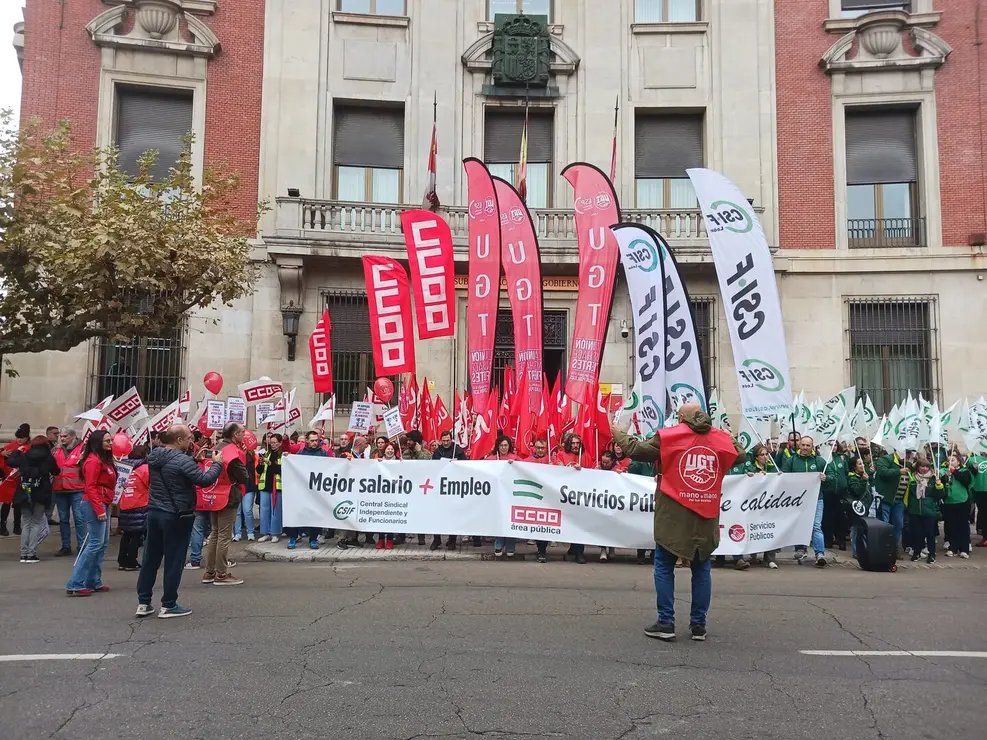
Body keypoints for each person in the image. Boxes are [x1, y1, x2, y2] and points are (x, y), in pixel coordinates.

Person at [612, 403, 746, 642]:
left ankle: (666, 622)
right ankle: (698, 625)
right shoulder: (719, 438)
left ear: (681, 418)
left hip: (674, 514)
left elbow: (636, 450)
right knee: (702, 570)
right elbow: (741, 454)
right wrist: (721, 434)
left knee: (664, 567)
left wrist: (615, 431)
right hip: (705, 514)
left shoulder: (669, 437)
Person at [136, 423, 225, 618]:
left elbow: (173, 469)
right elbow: (204, 479)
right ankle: (168, 604)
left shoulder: (154, 456)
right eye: (188, 438)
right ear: (178, 440)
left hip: (154, 511)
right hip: (176, 514)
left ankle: (143, 602)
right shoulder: (182, 460)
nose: (191, 441)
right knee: (174, 560)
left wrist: (194, 459)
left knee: (151, 558)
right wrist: (218, 463)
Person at [65, 430, 117, 596]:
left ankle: (92, 580)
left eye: (111, 440)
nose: (111, 443)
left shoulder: (103, 460)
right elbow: (90, 487)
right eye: (107, 441)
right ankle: (76, 582)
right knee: (95, 544)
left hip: (102, 502)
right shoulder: (94, 461)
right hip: (95, 503)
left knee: (101, 544)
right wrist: (99, 508)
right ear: (98, 442)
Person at [200, 423, 247, 585]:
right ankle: (221, 574)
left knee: (214, 533)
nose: (244, 435)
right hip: (228, 495)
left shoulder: (215, 448)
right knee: (224, 536)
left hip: (213, 494)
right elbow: (243, 476)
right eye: (242, 432)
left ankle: (209, 571)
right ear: (235, 435)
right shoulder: (233, 452)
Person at [7, 435, 59, 563]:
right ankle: (31, 554)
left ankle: (23, 554)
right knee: (35, 522)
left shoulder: (25, 455)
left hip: (25, 492)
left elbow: (11, 461)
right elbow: (56, 471)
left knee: (26, 523)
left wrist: (19, 450)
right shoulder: (48, 457)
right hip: (41, 493)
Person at [781, 435, 828, 566]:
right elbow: (784, 478)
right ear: (799, 446)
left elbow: (831, 478)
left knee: (816, 526)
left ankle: (820, 553)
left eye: (808, 445)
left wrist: (826, 478)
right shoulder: (791, 461)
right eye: (803, 445)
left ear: (812, 447)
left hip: (817, 498)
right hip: (797, 500)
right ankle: (801, 549)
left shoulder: (819, 461)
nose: (805, 448)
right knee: (799, 524)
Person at [286, 430, 327, 551]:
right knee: (296, 514)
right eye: (312, 440)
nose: (315, 443)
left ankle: (313, 539)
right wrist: (287, 458)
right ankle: (293, 537)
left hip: (316, 491)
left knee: (315, 515)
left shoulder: (323, 453)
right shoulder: (300, 453)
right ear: (307, 441)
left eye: (316, 440)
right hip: (301, 490)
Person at [430, 430, 469, 551]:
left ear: (451, 439)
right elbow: (432, 467)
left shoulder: (457, 450)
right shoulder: (438, 451)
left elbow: (465, 465)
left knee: (453, 515)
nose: (446, 442)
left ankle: (452, 540)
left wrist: (456, 464)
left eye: (448, 440)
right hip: (440, 487)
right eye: (444, 440)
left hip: (454, 487)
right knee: (437, 515)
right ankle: (437, 540)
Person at [52, 427, 87, 556]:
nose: (62, 438)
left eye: (65, 436)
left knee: (79, 518)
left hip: (77, 489)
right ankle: (65, 546)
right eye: (61, 436)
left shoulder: (83, 448)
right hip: (60, 489)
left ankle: (82, 546)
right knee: (63, 519)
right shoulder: (56, 450)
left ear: (72, 436)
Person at [555, 434, 589, 563]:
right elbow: (557, 470)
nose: (575, 445)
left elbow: (592, 472)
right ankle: (573, 547)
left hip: (580, 496)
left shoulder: (585, 456)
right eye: (573, 443)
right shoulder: (561, 455)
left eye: (578, 443)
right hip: (564, 495)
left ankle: (579, 553)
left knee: (579, 523)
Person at [745, 443, 780, 569]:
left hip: (769, 504)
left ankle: (770, 558)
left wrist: (779, 476)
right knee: (755, 528)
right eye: (762, 455)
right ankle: (753, 553)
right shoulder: (752, 468)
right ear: (756, 457)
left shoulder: (773, 467)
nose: (765, 457)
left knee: (770, 529)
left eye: (767, 454)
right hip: (754, 504)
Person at [905, 456, 944, 564]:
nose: (924, 468)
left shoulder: (933, 478)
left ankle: (932, 554)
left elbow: (940, 495)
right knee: (917, 533)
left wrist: (939, 485)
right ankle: (916, 552)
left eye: (927, 466)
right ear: (918, 467)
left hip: (929, 510)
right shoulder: (912, 477)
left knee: (930, 534)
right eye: (922, 466)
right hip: (915, 510)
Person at [873, 447, 910, 559]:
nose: (908, 455)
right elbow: (882, 472)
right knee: (884, 524)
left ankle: (894, 549)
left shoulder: (908, 463)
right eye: (906, 452)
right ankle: (882, 548)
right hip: (886, 499)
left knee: (899, 525)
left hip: (899, 500)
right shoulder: (886, 459)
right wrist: (898, 471)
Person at [117, 445, 150, 571]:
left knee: (126, 533)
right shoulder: (145, 468)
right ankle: (131, 560)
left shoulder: (124, 467)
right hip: (140, 503)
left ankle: (122, 560)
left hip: (125, 502)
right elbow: (150, 483)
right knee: (137, 534)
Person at [524, 438, 553, 563]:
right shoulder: (527, 461)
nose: (540, 450)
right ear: (534, 448)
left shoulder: (552, 461)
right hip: (533, 497)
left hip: (548, 498)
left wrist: (557, 467)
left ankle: (542, 551)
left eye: (543, 448)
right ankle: (539, 547)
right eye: (538, 447)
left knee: (544, 524)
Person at [0, 423, 31, 537]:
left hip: (22, 479)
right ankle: (2, 525)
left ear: (27, 437)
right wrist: (1, 454)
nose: (19, 440)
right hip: (9, 478)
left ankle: (17, 526)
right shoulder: (11, 445)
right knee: (6, 503)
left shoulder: (30, 446)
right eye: (17, 437)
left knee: (18, 503)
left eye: (22, 438)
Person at [941, 451, 972, 558]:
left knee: (962, 526)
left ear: (958, 462)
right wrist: (945, 477)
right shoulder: (945, 472)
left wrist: (954, 472)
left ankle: (964, 549)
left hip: (962, 502)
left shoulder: (964, 471)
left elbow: (966, 480)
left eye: (952, 460)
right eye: (948, 460)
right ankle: (952, 548)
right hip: (949, 502)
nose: (950, 462)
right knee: (952, 526)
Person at [256, 433, 284, 544]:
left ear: (280, 443)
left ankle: (275, 533)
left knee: (275, 511)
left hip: (276, 487)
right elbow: (259, 470)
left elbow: (281, 470)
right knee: (264, 511)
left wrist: (271, 463)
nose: (272, 445)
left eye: (274, 443)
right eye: (271, 442)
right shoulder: (266, 453)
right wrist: (261, 464)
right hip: (264, 486)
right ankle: (265, 533)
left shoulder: (282, 455)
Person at [821, 442, 850, 550]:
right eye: (830, 444)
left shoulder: (841, 458)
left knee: (841, 517)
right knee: (828, 517)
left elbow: (846, 472)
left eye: (835, 445)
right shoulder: (823, 459)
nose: (833, 447)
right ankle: (828, 539)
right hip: (828, 491)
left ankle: (841, 540)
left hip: (841, 492)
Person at [844, 456, 873, 558]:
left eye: (863, 463)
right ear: (854, 467)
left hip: (866, 507)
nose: (863, 466)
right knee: (856, 529)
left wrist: (871, 474)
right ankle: (856, 551)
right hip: (857, 509)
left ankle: (863, 550)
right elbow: (857, 491)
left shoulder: (864, 476)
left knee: (863, 530)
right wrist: (863, 481)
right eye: (859, 464)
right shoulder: (852, 478)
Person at [234, 447, 257, 543]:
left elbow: (252, 471)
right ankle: (237, 533)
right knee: (237, 511)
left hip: (249, 486)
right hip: (237, 487)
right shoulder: (234, 457)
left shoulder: (252, 457)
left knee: (247, 510)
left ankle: (250, 532)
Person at [967, 450, 987, 546]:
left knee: (983, 513)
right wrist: (973, 469)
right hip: (979, 490)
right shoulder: (972, 460)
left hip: (979, 490)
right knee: (983, 513)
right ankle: (985, 536)